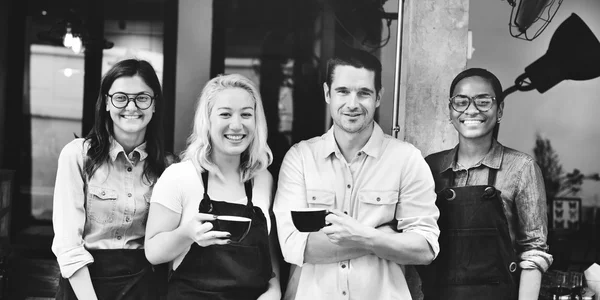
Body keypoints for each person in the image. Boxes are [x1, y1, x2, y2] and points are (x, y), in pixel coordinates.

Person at [273, 48, 440, 300]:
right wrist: (380, 238)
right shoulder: (301, 158)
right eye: (343, 91)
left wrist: (363, 236)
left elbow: (424, 249)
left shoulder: (406, 160)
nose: (352, 104)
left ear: (378, 97)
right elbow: (294, 247)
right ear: (327, 93)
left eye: (364, 93)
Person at [419, 68, 553, 300]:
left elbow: (533, 251)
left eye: (483, 101)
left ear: (499, 110)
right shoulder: (430, 167)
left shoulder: (522, 167)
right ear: (450, 111)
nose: (471, 110)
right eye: (461, 102)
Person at [145, 74, 281, 300]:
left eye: (246, 114)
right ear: (207, 120)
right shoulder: (180, 177)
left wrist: (274, 288)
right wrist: (187, 233)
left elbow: (267, 250)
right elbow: (153, 252)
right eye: (225, 114)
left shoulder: (263, 179)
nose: (237, 125)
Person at [52, 59, 168, 300]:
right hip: (83, 286)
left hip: (143, 287)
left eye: (142, 97)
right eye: (121, 97)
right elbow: (68, 244)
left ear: (154, 104)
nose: (131, 106)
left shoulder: (169, 167)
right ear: (106, 102)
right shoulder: (77, 155)